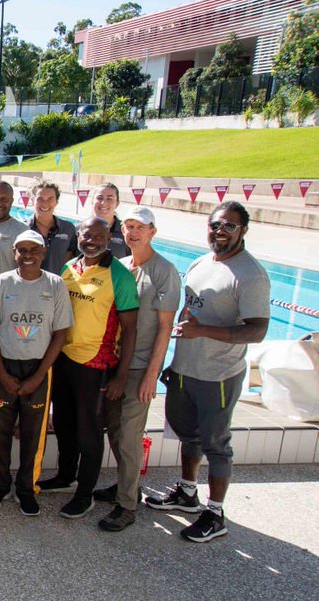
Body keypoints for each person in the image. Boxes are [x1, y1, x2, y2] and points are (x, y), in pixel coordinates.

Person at [147, 202, 269, 542]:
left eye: (230, 226)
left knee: (216, 444)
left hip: (218, 374)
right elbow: (190, 317)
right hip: (187, 369)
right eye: (216, 224)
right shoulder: (201, 263)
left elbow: (257, 330)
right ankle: (187, 492)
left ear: (244, 230)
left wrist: (204, 333)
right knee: (189, 434)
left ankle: (215, 513)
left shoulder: (250, 274)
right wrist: (176, 360)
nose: (221, 231)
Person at [41, 216, 139, 519]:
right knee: (66, 424)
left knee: (89, 432)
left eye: (98, 236)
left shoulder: (119, 276)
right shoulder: (69, 269)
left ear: (108, 239)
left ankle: (85, 494)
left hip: (96, 365)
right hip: (64, 359)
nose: (91, 241)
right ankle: (66, 475)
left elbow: (131, 329)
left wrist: (121, 375)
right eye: (86, 236)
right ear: (78, 237)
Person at [91, 207, 180, 531]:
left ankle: (127, 505)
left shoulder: (165, 271)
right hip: (115, 365)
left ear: (152, 232)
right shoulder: (124, 266)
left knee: (128, 437)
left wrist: (151, 376)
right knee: (115, 431)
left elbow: (165, 328)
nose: (132, 232)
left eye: (139, 227)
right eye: (128, 226)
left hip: (140, 367)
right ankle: (126, 486)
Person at [0, 231, 73, 516]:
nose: (28, 254)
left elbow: (60, 334)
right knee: (0, 431)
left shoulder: (55, 285)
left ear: (43, 253)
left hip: (39, 367)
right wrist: (3, 373)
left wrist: (39, 375)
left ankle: (27, 488)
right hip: (4, 364)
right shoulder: (1, 282)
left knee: (34, 434)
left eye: (34, 249)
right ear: (14, 252)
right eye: (22, 249)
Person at [26, 180, 78, 274]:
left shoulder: (68, 229)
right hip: (28, 286)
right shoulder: (22, 229)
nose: (45, 204)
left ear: (56, 202)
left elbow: (70, 260)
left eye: (50, 199)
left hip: (59, 285)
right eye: (40, 199)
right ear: (32, 200)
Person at [91, 182, 130, 258]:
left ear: (117, 203)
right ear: (92, 201)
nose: (103, 203)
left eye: (109, 199)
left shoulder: (127, 232)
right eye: (99, 198)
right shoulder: (78, 230)